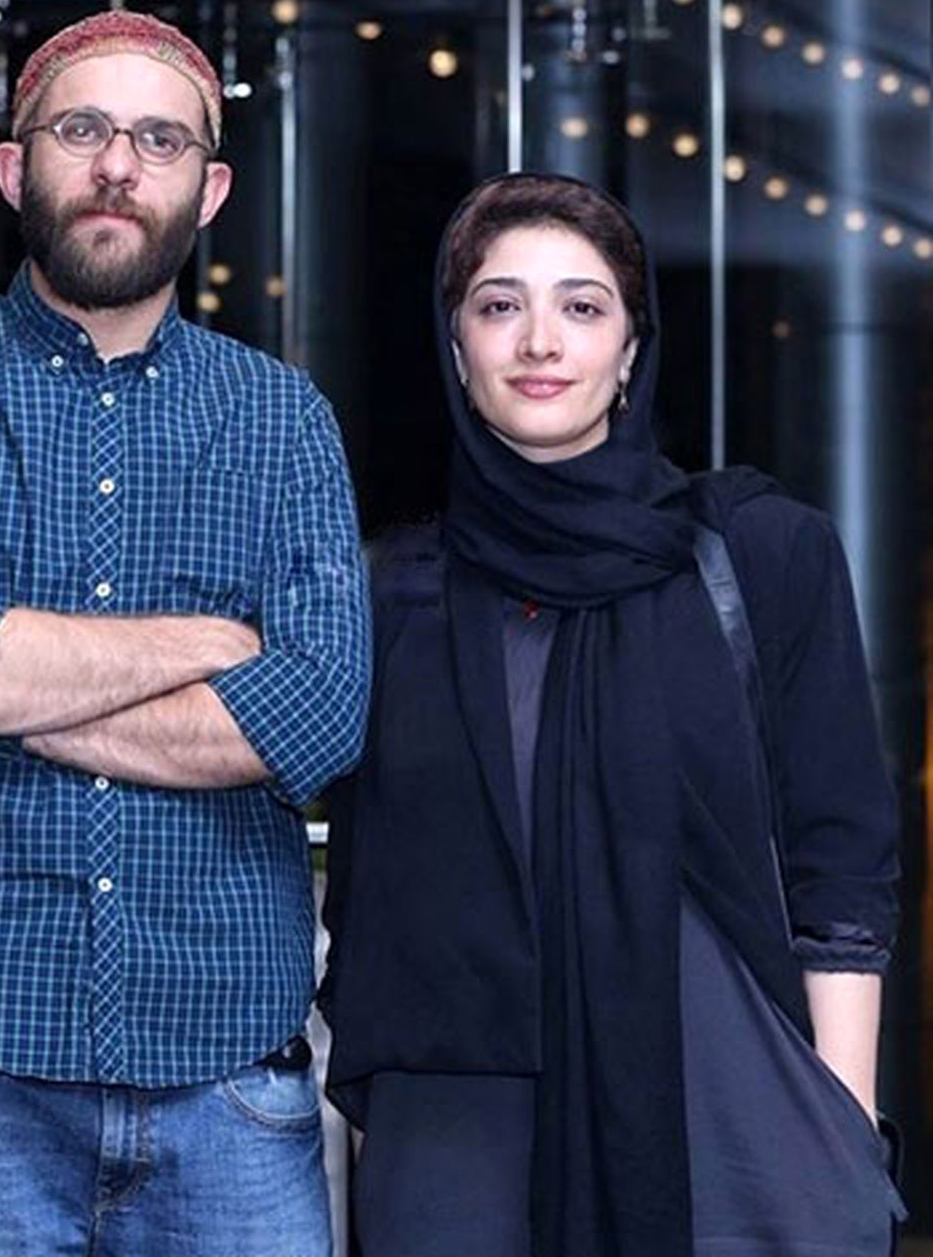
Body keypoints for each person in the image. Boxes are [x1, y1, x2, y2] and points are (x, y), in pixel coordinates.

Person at [0, 8, 368, 1257]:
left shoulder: (284, 418)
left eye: (161, 140)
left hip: (229, 1081)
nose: (120, 165)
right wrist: (216, 643)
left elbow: (320, 718)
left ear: (210, 190)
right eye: (82, 130)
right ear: (14, 166)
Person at [320, 172, 906, 1257]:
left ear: (632, 348)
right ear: (457, 347)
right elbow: (367, 903)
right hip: (458, 1135)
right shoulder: (395, 595)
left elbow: (841, 864)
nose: (539, 340)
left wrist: (841, 1123)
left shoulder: (761, 552)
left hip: (732, 1123)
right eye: (500, 305)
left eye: (583, 307)